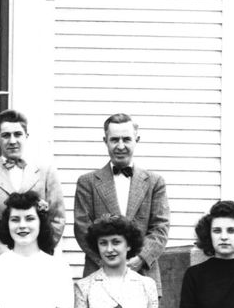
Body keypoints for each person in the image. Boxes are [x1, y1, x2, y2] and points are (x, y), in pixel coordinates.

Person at [73, 114, 170, 294]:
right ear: (105, 141)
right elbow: (82, 228)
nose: (120, 146)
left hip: (143, 275)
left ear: (137, 140)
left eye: (126, 139)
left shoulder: (155, 182)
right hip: (99, 274)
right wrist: (108, 262)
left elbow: (160, 228)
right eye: (114, 140)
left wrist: (140, 258)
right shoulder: (88, 183)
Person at [0, 109, 65, 259]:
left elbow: (57, 218)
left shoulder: (46, 173)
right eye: (5, 135)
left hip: (38, 260)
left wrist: (37, 253)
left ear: (26, 136)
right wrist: (4, 257)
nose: (12, 141)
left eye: (18, 134)